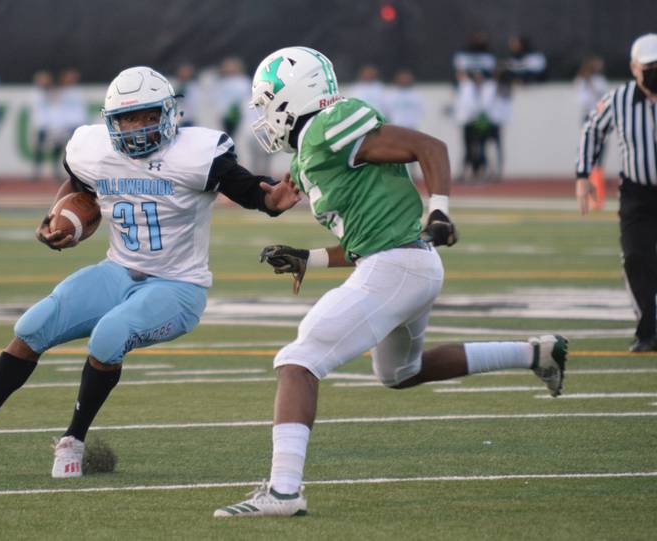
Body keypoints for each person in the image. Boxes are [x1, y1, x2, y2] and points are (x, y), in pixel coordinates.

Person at [214, 46, 568, 518]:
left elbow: (431, 148)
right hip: (402, 264)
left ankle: (283, 492)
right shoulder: (309, 154)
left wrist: (438, 209)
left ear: (291, 97)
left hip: (399, 266)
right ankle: (536, 353)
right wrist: (309, 258)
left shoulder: (328, 126)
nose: (263, 113)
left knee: (298, 360)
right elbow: (352, 232)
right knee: (401, 372)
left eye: (266, 101)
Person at [0, 66, 300, 477]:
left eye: (148, 115)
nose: (137, 127)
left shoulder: (197, 153)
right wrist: (55, 218)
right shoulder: (92, 148)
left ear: (168, 113)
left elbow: (254, 193)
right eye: (127, 119)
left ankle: (72, 441)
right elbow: (77, 185)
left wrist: (277, 197)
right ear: (110, 122)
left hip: (177, 286)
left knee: (108, 335)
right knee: (32, 325)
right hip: (117, 271)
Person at [576, 33, 657, 352]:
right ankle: (648, 330)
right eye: (648, 66)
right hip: (637, 193)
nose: (653, 72)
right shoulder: (619, 100)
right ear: (634, 67)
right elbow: (592, 130)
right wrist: (583, 174)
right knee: (636, 258)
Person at [575, 56, 609, 209]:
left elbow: (603, 99)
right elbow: (582, 101)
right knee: (587, 156)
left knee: (599, 159)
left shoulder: (600, 81)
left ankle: (598, 196)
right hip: (588, 117)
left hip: (600, 118)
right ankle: (588, 194)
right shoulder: (581, 82)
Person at [30, 70, 54, 180]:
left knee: (54, 148)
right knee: (39, 149)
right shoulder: (36, 93)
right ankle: (36, 171)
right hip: (40, 125)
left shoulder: (49, 93)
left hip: (50, 125)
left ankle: (54, 170)